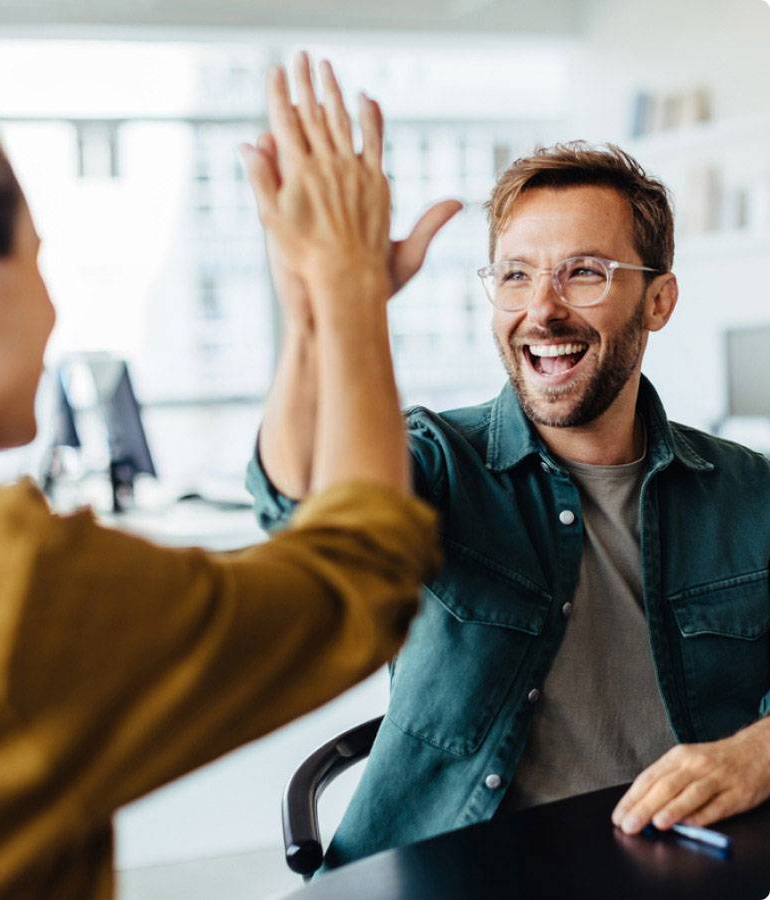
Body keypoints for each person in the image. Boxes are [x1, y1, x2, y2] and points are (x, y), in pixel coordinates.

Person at [0, 55, 440, 899]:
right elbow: (356, 577)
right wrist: (350, 283)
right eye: (37, 258)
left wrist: (322, 315)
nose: (55, 308)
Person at [248, 136, 770, 868]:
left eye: (584, 273)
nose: (542, 310)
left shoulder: (752, 493)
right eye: (516, 275)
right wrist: (318, 311)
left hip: (670, 873)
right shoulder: (437, 461)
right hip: (445, 872)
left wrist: (760, 750)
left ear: (658, 301)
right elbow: (298, 499)